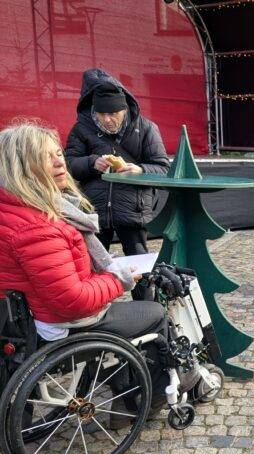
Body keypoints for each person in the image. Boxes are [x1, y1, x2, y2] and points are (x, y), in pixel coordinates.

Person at [0, 123, 168, 410]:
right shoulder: (39, 228)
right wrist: (119, 280)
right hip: (60, 324)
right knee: (155, 313)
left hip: (20, 318)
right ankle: (143, 402)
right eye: (45, 157)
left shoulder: (14, 210)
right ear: (22, 168)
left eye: (58, 153)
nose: (59, 162)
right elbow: (73, 301)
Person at [64, 69, 170, 300]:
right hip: (93, 210)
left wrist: (140, 170)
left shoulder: (147, 128)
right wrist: (92, 162)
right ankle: (94, 309)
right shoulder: (82, 128)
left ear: (125, 109)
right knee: (90, 265)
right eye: (102, 114)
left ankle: (147, 310)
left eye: (113, 113)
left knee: (139, 263)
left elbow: (163, 168)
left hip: (133, 207)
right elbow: (68, 165)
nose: (107, 119)